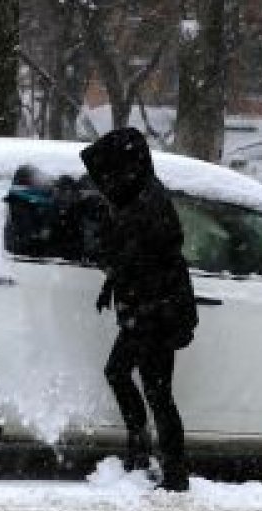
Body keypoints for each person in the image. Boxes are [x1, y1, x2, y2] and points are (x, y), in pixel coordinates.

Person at [80, 128, 198, 492]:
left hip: (157, 313)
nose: (103, 183)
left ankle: (173, 473)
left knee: (156, 391)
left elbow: (128, 256)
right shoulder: (138, 196)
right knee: (125, 376)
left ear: (124, 167)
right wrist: (112, 283)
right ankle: (141, 448)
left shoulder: (147, 205)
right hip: (148, 311)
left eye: (106, 174)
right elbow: (130, 259)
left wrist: (102, 252)